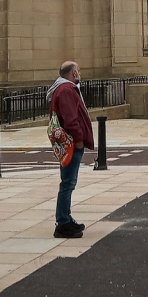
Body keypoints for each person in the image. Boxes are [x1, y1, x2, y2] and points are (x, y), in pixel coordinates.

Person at [46, 61, 94, 238]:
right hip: (72, 143)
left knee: (67, 182)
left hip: (68, 142)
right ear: (73, 73)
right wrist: (79, 139)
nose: (80, 73)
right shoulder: (66, 90)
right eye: (78, 70)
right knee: (68, 183)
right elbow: (70, 119)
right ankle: (63, 224)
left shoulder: (62, 88)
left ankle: (65, 218)